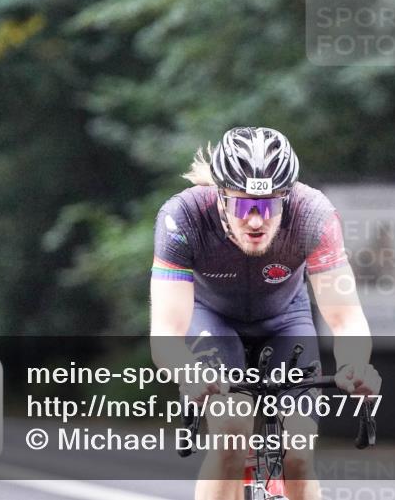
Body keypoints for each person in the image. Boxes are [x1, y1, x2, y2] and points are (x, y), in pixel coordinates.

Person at [149, 127, 381, 500]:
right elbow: (166, 330)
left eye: (269, 205)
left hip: (286, 319)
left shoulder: (313, 216)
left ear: (287, 200)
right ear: (220, 197)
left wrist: (355, 365)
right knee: (231, 432)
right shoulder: (183, 219)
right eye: (243, 205)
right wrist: (188, 373)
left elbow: (346, 317)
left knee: (299, 452)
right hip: (213, 319)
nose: (256, 220)